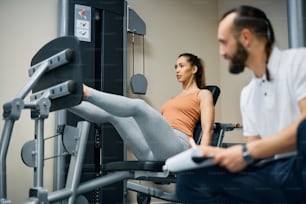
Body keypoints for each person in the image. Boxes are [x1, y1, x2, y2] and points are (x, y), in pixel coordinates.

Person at [176, 5, 306, 204]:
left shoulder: (299, 61)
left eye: (224, 43)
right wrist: (222, 154)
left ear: (245, 38)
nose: (221, 52)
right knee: (190, 179)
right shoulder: (248, 94)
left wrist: (247, 152)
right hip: (274, 174)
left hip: (299, 166)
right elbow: (255, 151)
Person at [69, 53, 215, 161]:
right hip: (153, 152)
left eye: (181, 66)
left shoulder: (203, 94)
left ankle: (86, 92)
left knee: (139, 106)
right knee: (116, 115)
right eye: (175, 66)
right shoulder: (174, 99)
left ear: (194, 69)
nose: (177, 70)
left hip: (178, 148)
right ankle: (68, 102)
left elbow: (207, 128)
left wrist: (200, 159)